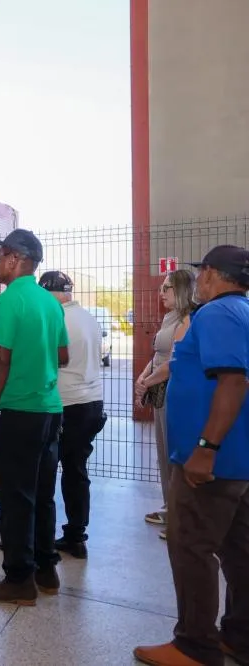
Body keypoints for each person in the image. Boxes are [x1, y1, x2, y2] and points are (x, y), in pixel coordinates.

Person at [134, 245, 249, 666]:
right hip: (237, 461)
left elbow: (233, 382)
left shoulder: (218, 314)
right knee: (238, 550)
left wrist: (205, 449)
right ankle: (238, 636)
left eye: (201, 274)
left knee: (191, 546)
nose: (197, 281)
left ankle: (195, 646)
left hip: (213, 462)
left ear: (214, 275)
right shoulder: (242, 312)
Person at [0, 229, 68, 606]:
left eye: (0, 258)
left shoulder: (9, 300)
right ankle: (46, 570)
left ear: (15, 259)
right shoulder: (50, 303)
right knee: (43, 495)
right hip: (49, 410)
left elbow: (0, 360)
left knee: (14, 498)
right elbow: (61, 357)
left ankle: (18, 580)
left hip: (18, 411)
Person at [38, 271, 106, 559]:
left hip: (67, 404)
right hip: (92, 401)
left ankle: (36, 538)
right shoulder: (89, 318)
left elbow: (48, 362)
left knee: (44, 470)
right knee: (76, 470)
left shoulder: (58, 319)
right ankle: (76, 535)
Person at [135, 268, 195, 537]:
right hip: (161, 390)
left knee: (174, 453)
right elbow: (159, 355)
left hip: (174, 392)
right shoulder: (170, 318)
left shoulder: (186, 320)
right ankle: (171, 507)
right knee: (163, 452)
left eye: (167, 288)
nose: (161, 293)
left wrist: (147, 382)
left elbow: (173, 361)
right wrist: (144, 374)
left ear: (181, 291)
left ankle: (181, 518)